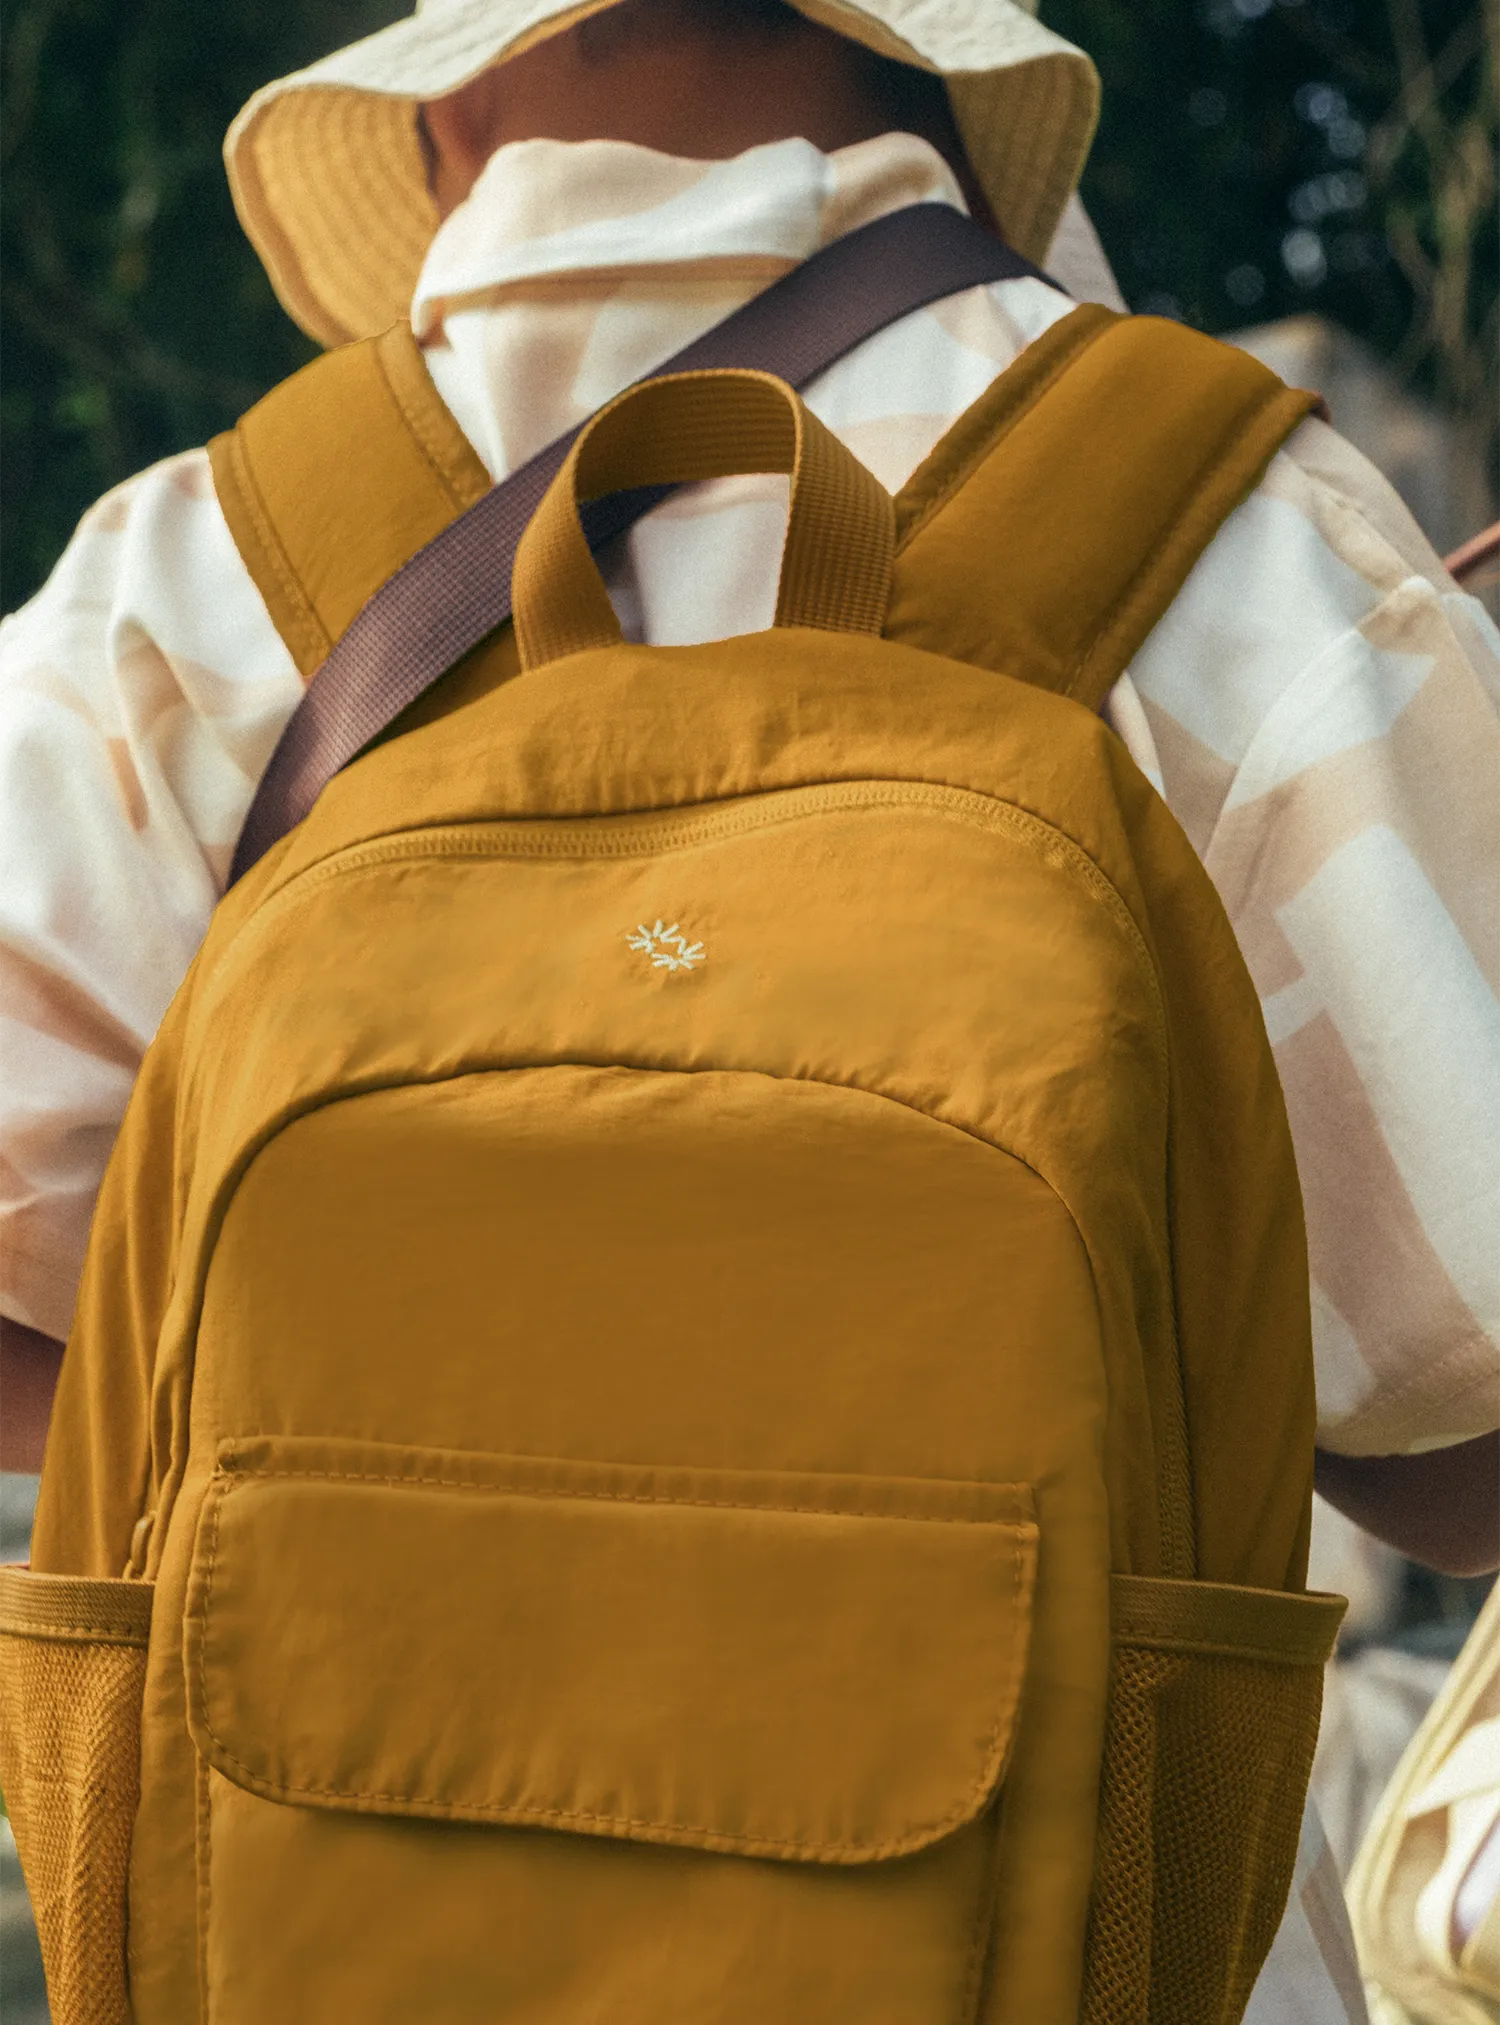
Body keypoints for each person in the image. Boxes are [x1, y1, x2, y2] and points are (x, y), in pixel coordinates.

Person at [1, 1, 1499, 2017]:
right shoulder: (1219, 531)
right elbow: (1456, 1428)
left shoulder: (181, 590)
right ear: (942, 97)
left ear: (440, 109)